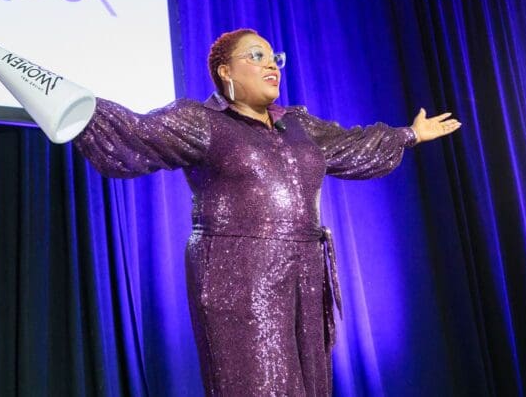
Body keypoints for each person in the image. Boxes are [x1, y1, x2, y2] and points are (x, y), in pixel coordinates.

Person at [73, 28, 461, 396]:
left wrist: (409, 135)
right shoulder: (201, 121)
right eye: (257, 56)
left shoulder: (297, 124)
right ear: (225, 71)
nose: (272, 65)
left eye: (274, 57)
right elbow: (138, 132)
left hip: (306, 272)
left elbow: (350, 145)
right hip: (238, 272)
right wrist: (77, 108)